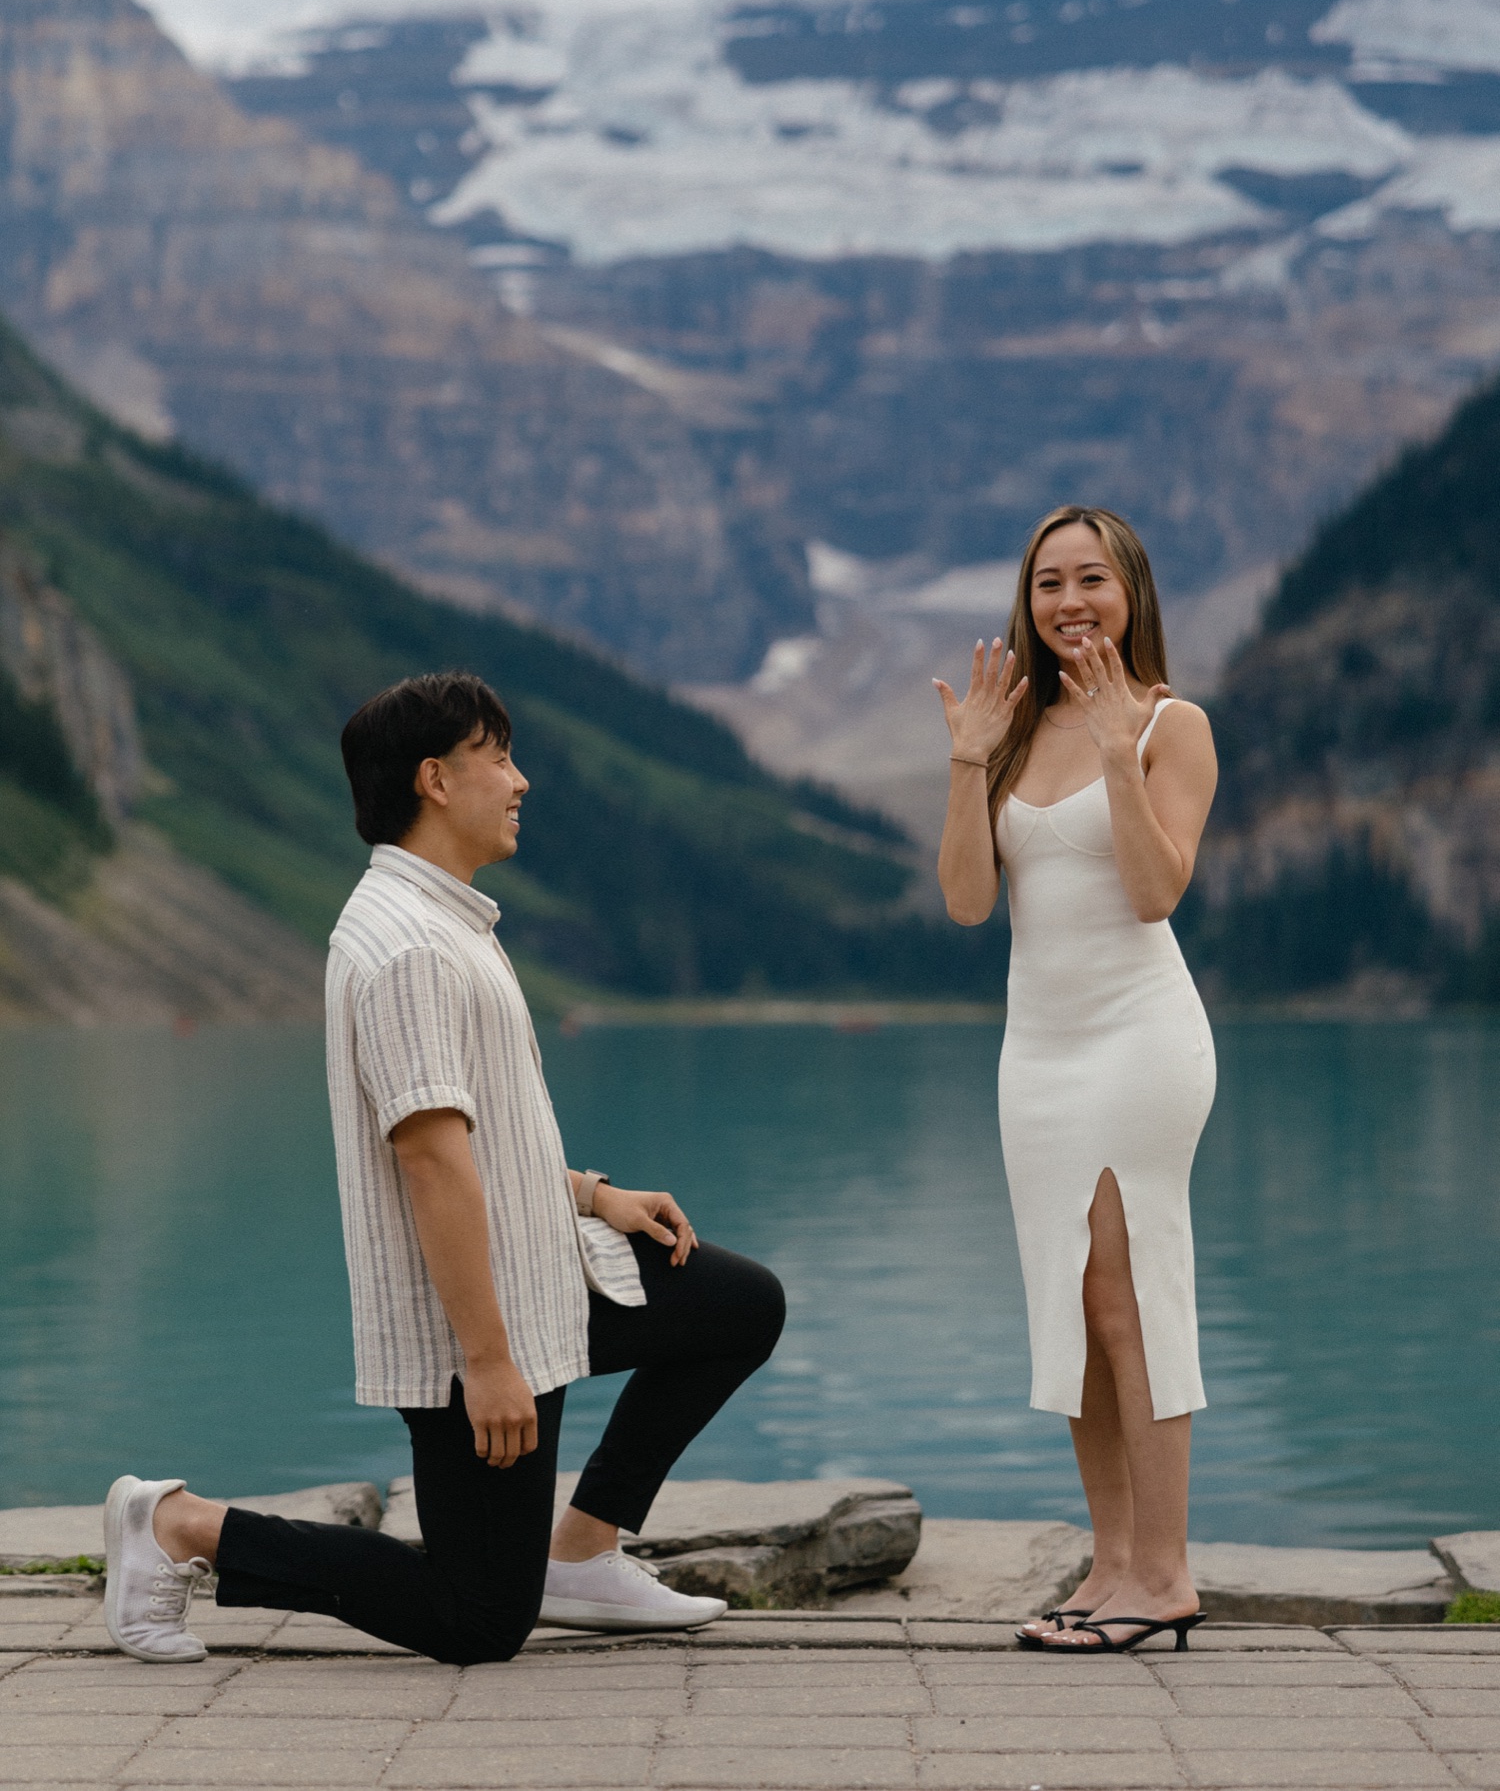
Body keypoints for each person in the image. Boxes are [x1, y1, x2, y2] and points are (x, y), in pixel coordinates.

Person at [102, 671, 785, 1665]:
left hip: (544, 1273)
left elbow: (480, 1138)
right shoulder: (407, 946)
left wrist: (593, 1196)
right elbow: (429, 1163)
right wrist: (487, 1362)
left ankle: (584, 1551)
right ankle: (178, 1524)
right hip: (481, 1316)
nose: (521, 780)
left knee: (738, 1304)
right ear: (434, 778)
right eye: (497, 757)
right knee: (476, 1620)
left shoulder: (447, 921)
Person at [934, 506, 1218, 1655]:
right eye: (1048, 582)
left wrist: (1114, 746)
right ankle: (1111, 1561)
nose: (1068, 601)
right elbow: (964, 900)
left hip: (1141, 1038)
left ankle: (1167, 1570)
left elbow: (1157, 891)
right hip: (1036, 1050)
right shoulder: (1007, 726)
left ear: (1130, 589)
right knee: (1073, 1300)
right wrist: (966, 763)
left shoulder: (1171, 724)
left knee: (1127, 1291)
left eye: (1090, 578)